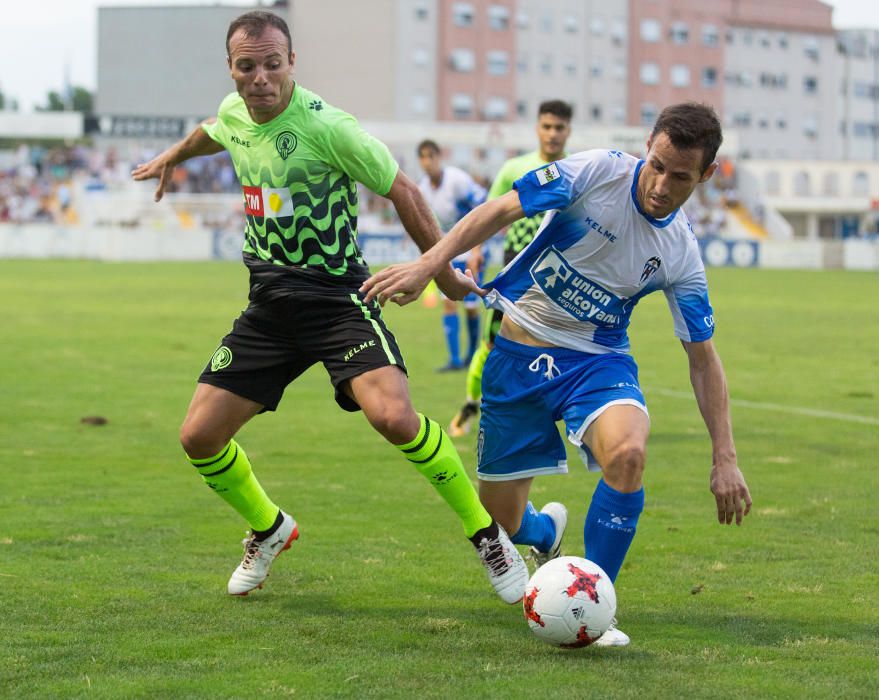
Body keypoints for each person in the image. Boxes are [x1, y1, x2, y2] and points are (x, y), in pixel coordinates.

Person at [131, 11, 527, 603]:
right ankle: (269, 530)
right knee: (198, 437)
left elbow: (405, 190)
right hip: (267, 305)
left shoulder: (330, 127)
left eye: (272, 63)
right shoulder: (235, 110)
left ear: (292, 62)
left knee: (393, 417)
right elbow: (212, 129)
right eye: (248, 66)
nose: (260, 76)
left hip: (336, 298)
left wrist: (440, 272)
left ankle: (487, 534)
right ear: (232, 68)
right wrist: (172, 156)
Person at [361, 102, 753, 647]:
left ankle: (595, 605)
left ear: (706, 175)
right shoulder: (596, 172)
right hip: (517, 355)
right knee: (503, 520)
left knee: (629, 454)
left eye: (680, 176)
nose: (661, 184)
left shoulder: (681, 253)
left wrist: (725, 457)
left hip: (597, 363)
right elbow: (501, 209)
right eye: (657, 164)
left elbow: (702, 357)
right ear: (647, 145)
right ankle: (545, 532)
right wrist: (430, 266)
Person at [449, 100, 572, 436]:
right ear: (537, 128)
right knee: (492, 347)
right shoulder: (514, 168)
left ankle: (548, 417)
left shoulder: (577, 171)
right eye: (547, 126)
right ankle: (471, 403)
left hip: (558, 279)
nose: (552, 134)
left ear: (568, 131)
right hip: (515, 277)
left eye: (559, 127)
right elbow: (489, 213)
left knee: (556, 349)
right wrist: (475, 250)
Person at [415, 139, 487, 371]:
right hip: (447, 252)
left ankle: (472, 356)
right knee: (448, 304)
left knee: (471, 305)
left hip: (470, 248)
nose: (427, 162)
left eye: (431, 156)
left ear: (439, 157)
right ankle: (455, 360)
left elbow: (482, 206)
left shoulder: (457, 180)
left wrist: (477, 250)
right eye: (423, 157)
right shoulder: (423, 188)